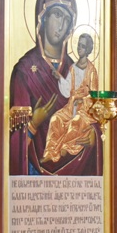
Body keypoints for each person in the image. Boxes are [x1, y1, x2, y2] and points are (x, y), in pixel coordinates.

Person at [9, 0, 102, 176]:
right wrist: (33, 124)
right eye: (57, 15)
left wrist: (93, 136)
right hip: (34, 172)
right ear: (43, 18)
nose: (61, 24)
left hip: (75, 170)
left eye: (67, 19)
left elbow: (91, 112)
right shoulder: (25, 71)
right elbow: (12, 144)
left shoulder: (76, 68)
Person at [42, 33, 99, 164]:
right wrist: (60, 78)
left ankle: (65, 148)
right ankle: (50, 152)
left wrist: (83, 100)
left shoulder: (91, 71)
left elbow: (95, 95)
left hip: (85, 110)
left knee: (76, 121)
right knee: (55, 119)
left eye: (83, 46)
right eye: (78, 45)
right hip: (70, 106)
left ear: (88, 49)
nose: (79, 48)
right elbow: (68, 91)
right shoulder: (72, 68)